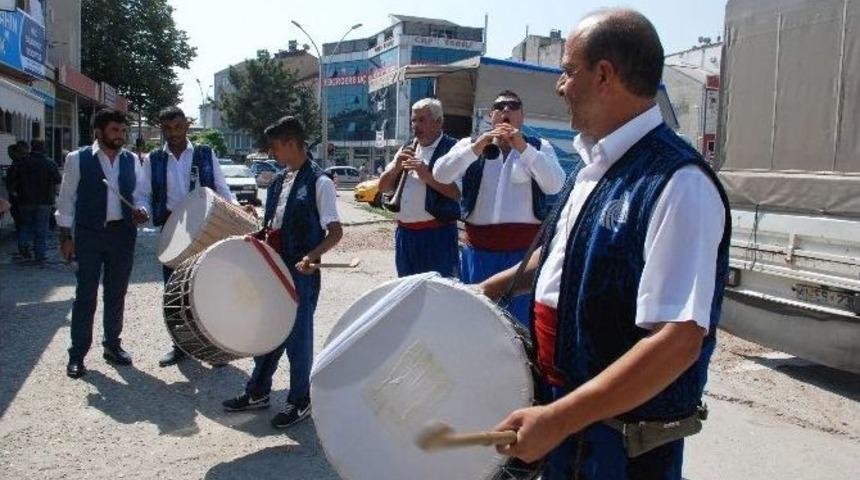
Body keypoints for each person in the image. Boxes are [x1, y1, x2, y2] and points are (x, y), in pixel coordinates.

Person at [482, 10, 731, 479]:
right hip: (571, 420)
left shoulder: (677, 184)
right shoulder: (592, 166)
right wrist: (482, 292)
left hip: (622, 447)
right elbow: (563, 257)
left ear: (603, 75)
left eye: (567, 70)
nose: (560, 86)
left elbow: (677, 342)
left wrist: (557, 420)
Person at [222, 116, 342, 429]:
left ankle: (300, 399)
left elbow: (335, 232)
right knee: (267, 331)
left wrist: (312, 256)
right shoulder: (278, 181)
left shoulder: (320, 182)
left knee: (296, 338)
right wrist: (258, 232)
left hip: (301, 270)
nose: (272, 153)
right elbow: (273, 225)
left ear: (290, 143)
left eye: (275, 147)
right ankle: (258, 392)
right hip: (272, 268)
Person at [433, 90, 565, 326]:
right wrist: (476, 147)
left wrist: (524, 148)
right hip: (479, 253)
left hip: (521, 258)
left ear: (521, 116)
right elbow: (440, 174)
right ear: (491, 116)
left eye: (513, 106)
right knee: (476, 318)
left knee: (520, 323)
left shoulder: (539, 146)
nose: (506, 110)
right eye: (500, 106)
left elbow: (555, 184)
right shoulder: (470, 144)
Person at [134, 106, 251, 367]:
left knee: (209, 288)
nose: (173, 134)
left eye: (177, 127)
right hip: (171, 233)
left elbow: (221, 189)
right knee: (175, 292)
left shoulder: (205, 153)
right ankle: (181, 346)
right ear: (161, 129)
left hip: (205, 230)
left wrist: (235, 212)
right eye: (167, 129)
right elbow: (143, 194)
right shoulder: (154, 159)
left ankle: (215, 348)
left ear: (186, 126)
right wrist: (141, 209)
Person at [55, 108, 149, 379]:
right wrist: (66, 238)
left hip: (123, 235)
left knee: (116, 293)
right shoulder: (78, 159)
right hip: (89, 235)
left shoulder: (132, 160)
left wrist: (141, 209)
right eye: (114, 131)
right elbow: (66, 201)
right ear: (98, 132)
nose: (120, 136)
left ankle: (112, 345)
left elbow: (141, 194)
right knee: (85, 295)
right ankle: (77, 354)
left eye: (123, 131)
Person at [378, 98, 460, 277]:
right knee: (408, 291)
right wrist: (397, 167)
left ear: (438, 122)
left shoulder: (453, 149)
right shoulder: (406, 148)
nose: (415, 125)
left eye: (422, 120)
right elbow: (382, 187)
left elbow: (457, 193)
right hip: (405, 235)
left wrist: (426, 176)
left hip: (438, 235)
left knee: (439, 292)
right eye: (413, 120)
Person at [14, 139, 61, 264]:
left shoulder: (22, 162)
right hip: (44, 200)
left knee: (26, 225)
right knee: (41, 228)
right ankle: (40, 255)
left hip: (25, 200)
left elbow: (14, 179)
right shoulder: (49, 163)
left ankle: (23, 246)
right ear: (43, 148)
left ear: (31, 147)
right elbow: (57, 179)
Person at [5, 141, 30, 250]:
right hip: (23, 195)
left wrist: (12, 189)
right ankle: (24, 244)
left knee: (21, 220)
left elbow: (12, 180)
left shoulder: (19, 164)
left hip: (19, 195)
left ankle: (23, 244)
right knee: (23, 220)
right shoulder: (25, 162)